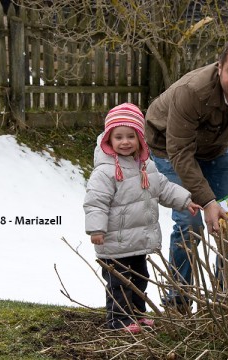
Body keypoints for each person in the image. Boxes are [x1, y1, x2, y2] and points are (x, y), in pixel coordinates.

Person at [144, 35, 228, 306]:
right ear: (219, 67)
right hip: (168, 147)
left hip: (215, 148)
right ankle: (178, 300)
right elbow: (180, 152)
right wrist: (206, 201)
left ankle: (225, 298)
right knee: (190, 222)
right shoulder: (192, 91)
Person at [83, 103, 201, 333]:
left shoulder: (146, 166)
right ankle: (119, 320)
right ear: (109, 140)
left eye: (131, 136)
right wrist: (96, 230)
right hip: (114, 242)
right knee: (119, 283)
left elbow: (164, 188)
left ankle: (137, 314)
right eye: (118, 137)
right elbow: (95, 201)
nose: (125, 142)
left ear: (140, 139)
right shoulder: (105, 171)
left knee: (139, 279)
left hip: (137, 242)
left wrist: (185, 201)